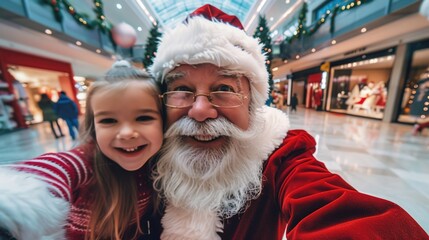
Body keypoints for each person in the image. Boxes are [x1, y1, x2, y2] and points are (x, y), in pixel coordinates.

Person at [149, 4, 429, 239]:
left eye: (225, 89)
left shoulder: (280, 155)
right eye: (182, 90)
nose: (200, 110)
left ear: (252, 103)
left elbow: (333, 210)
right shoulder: (140, 148)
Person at [0, 61, 164, 239]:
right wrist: (17, 198)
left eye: (143, 117)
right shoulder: (87, 161)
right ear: (94, 128)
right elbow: (56, 168)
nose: (126, 133)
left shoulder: (162, 162)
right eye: (108, 121)